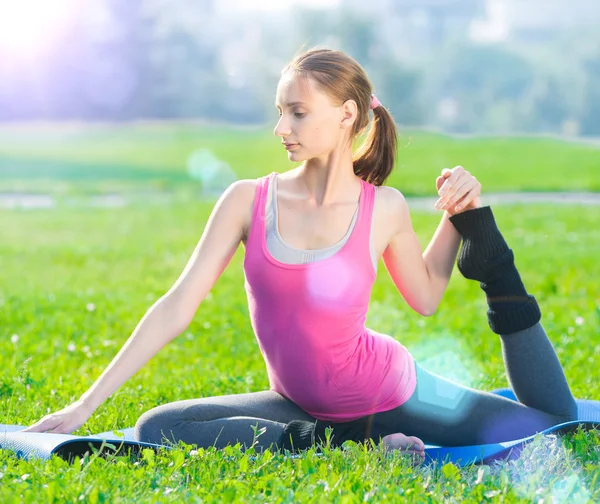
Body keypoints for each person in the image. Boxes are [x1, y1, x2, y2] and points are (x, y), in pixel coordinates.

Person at [23, 48, 577, 460]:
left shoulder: (382, 207)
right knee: (155, 427)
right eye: (280, 111)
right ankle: (348, 445)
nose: (280, 127)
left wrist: (459, 218)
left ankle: (497, 267)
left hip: (391, 394)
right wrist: (84, 407)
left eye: (297, 113)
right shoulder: (247, 200)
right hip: (297, 405)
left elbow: (428, 296)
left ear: (346, 116)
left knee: (553, 423)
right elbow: (176, 306)